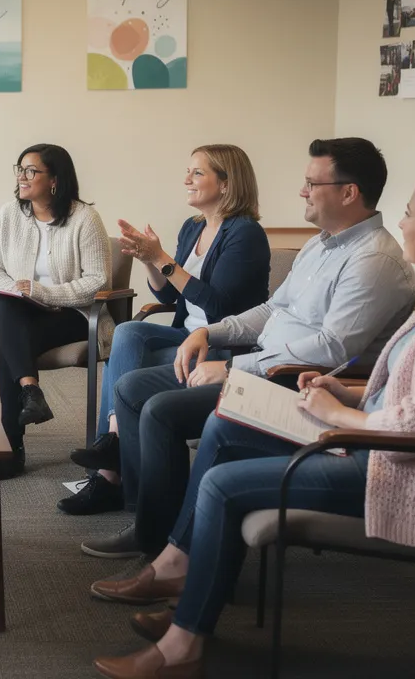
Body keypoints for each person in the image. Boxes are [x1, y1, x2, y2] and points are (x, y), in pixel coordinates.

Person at [88, 172, 415, 679]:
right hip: (371, 441)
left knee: (221, 484)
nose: (402, 222)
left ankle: (183, 643)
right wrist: (350, 391)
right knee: (226, 425)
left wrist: (339, 414)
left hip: (397, 473)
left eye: (411, 214)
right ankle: (179, 569)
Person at [80, 138, 415, 559]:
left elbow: (333, 348)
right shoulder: (320, 245)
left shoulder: (374, 261)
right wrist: (213, 334)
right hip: (254, 361)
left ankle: (160, 537)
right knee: (131, 389)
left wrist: (235, 364)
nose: (302, 191)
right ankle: (146, 518)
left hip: (294, 384)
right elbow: (271, 309)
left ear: (348, 192)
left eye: (312, 183)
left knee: (160, 409)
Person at [59, 144, 269, 515]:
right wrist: (149, 262)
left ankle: (108, 472)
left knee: (126, 354)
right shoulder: (194, 227)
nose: (186, 179)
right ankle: (113, 441)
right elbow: (170, 294)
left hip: (222, 347)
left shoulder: (245, 234)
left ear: (225, 183)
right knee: (127, 333)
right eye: (188, 171)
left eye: (197, 173)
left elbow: (219, 306)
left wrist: (162, 259)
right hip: (185, 336)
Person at [0, 144, 112, 480]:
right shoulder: (10, 214)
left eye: (31, 171)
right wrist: (20, 292)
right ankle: (31, 392)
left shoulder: (85, 218)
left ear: (54, 179)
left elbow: (98, 281)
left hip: (76, 315)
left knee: (6, 342)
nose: (22, 177)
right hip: (26, 312)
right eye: (20, 169)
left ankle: (12, 444)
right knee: (3, 306)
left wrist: (44, 292)